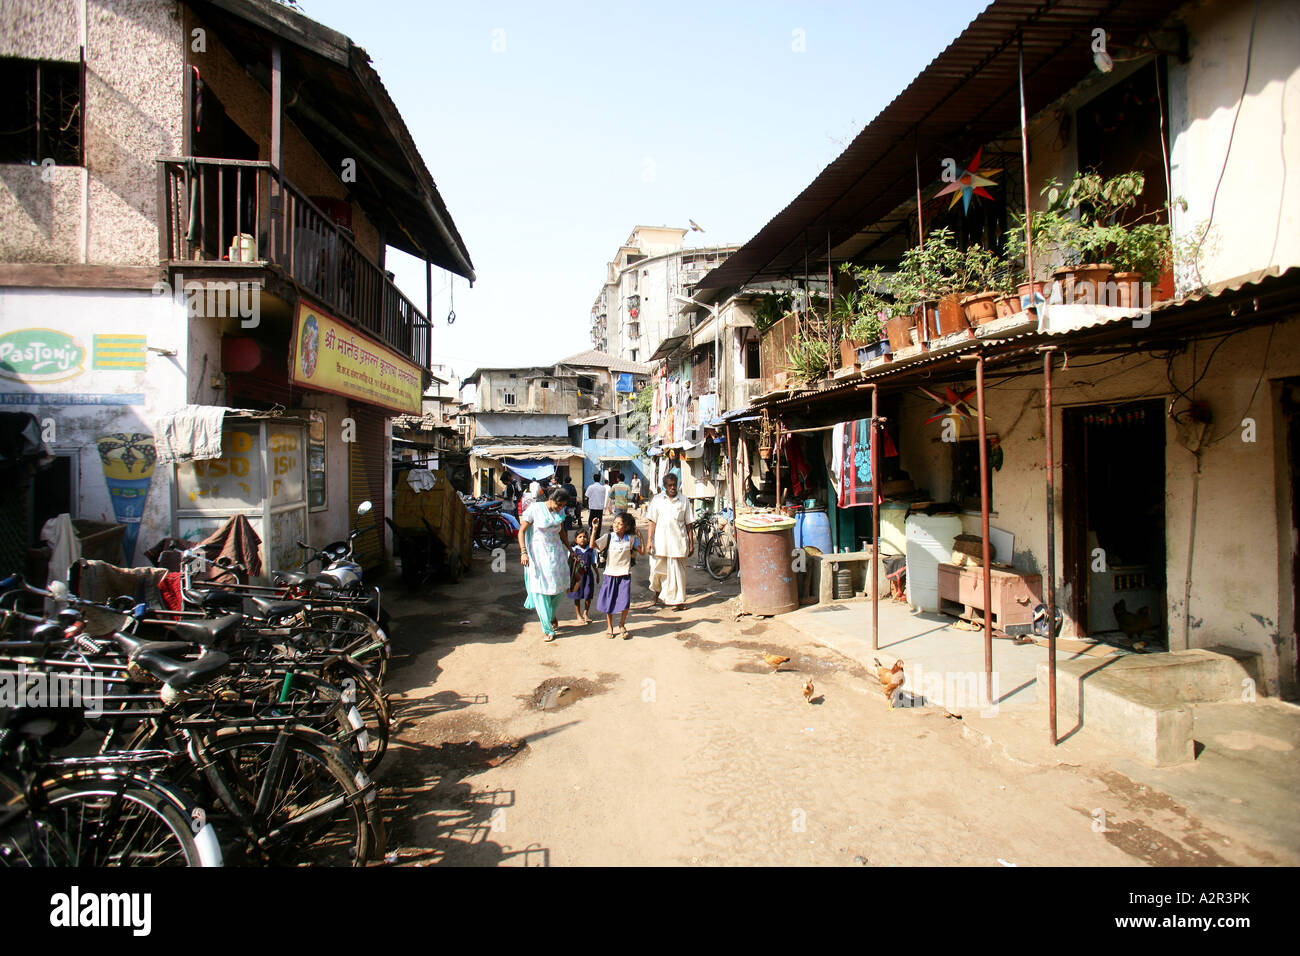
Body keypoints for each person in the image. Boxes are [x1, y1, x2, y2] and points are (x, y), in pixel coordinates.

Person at [519, 488, 572, 642]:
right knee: (541, 589)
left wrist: (569, 549)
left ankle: (549, 614)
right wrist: (523, 552)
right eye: (559, 504)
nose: (560, 508)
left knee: (559, 587)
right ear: (551, 498)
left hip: (556, 552)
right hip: (538, 554)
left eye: (563, 505)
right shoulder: (535, 509)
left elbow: (562, 532)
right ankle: (547, 628)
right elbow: (521, 531)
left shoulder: (560, 512)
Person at [647, 472, 693, 610]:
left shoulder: (684, 500)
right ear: (665, 486)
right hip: (661, 542)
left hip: (678, 542)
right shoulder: (657, 500)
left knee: (679, 574)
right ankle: (656, 594)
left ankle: (679, 601)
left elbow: (689, 523)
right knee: (658, 571)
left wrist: (691, 543)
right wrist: (650, 540)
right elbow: (652, 521)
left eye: (675, 484)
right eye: (670, 485)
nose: (673, 487)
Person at [595, 512, 644, 639]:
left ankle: (622, 624)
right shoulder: (608, 537)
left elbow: (643, 552)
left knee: (625, 602)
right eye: (615, 522)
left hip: (625, 574)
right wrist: (594, 530)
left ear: (626, 526)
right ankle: (609, 626)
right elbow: (592, 545)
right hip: (610, 574)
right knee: (609, 602)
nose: (616, 525)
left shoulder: (631, 539)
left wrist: (640, 536)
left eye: (620, 523)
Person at [567, 529, 597, 624]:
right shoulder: (574, 550)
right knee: (577, 595)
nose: (582, 539)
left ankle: (585, 613)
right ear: (576, 540)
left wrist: (597, 574)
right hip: (577, 576)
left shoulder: (590, 550)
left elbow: (593, 563)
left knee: (588, 594)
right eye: (580, 537)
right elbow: (569, 563)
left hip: (588, 575)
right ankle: (578, 615)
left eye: (584, 537)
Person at [585, 473, 607, 538]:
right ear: (599, 479)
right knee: (599, 522)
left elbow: (586, 496)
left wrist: (587, 505)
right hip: (600, 508)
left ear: (593, 479)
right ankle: (597, 535)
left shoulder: (590, 487)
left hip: (592, 507)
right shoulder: (603, 488)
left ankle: (592, 535)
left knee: (591, 522)